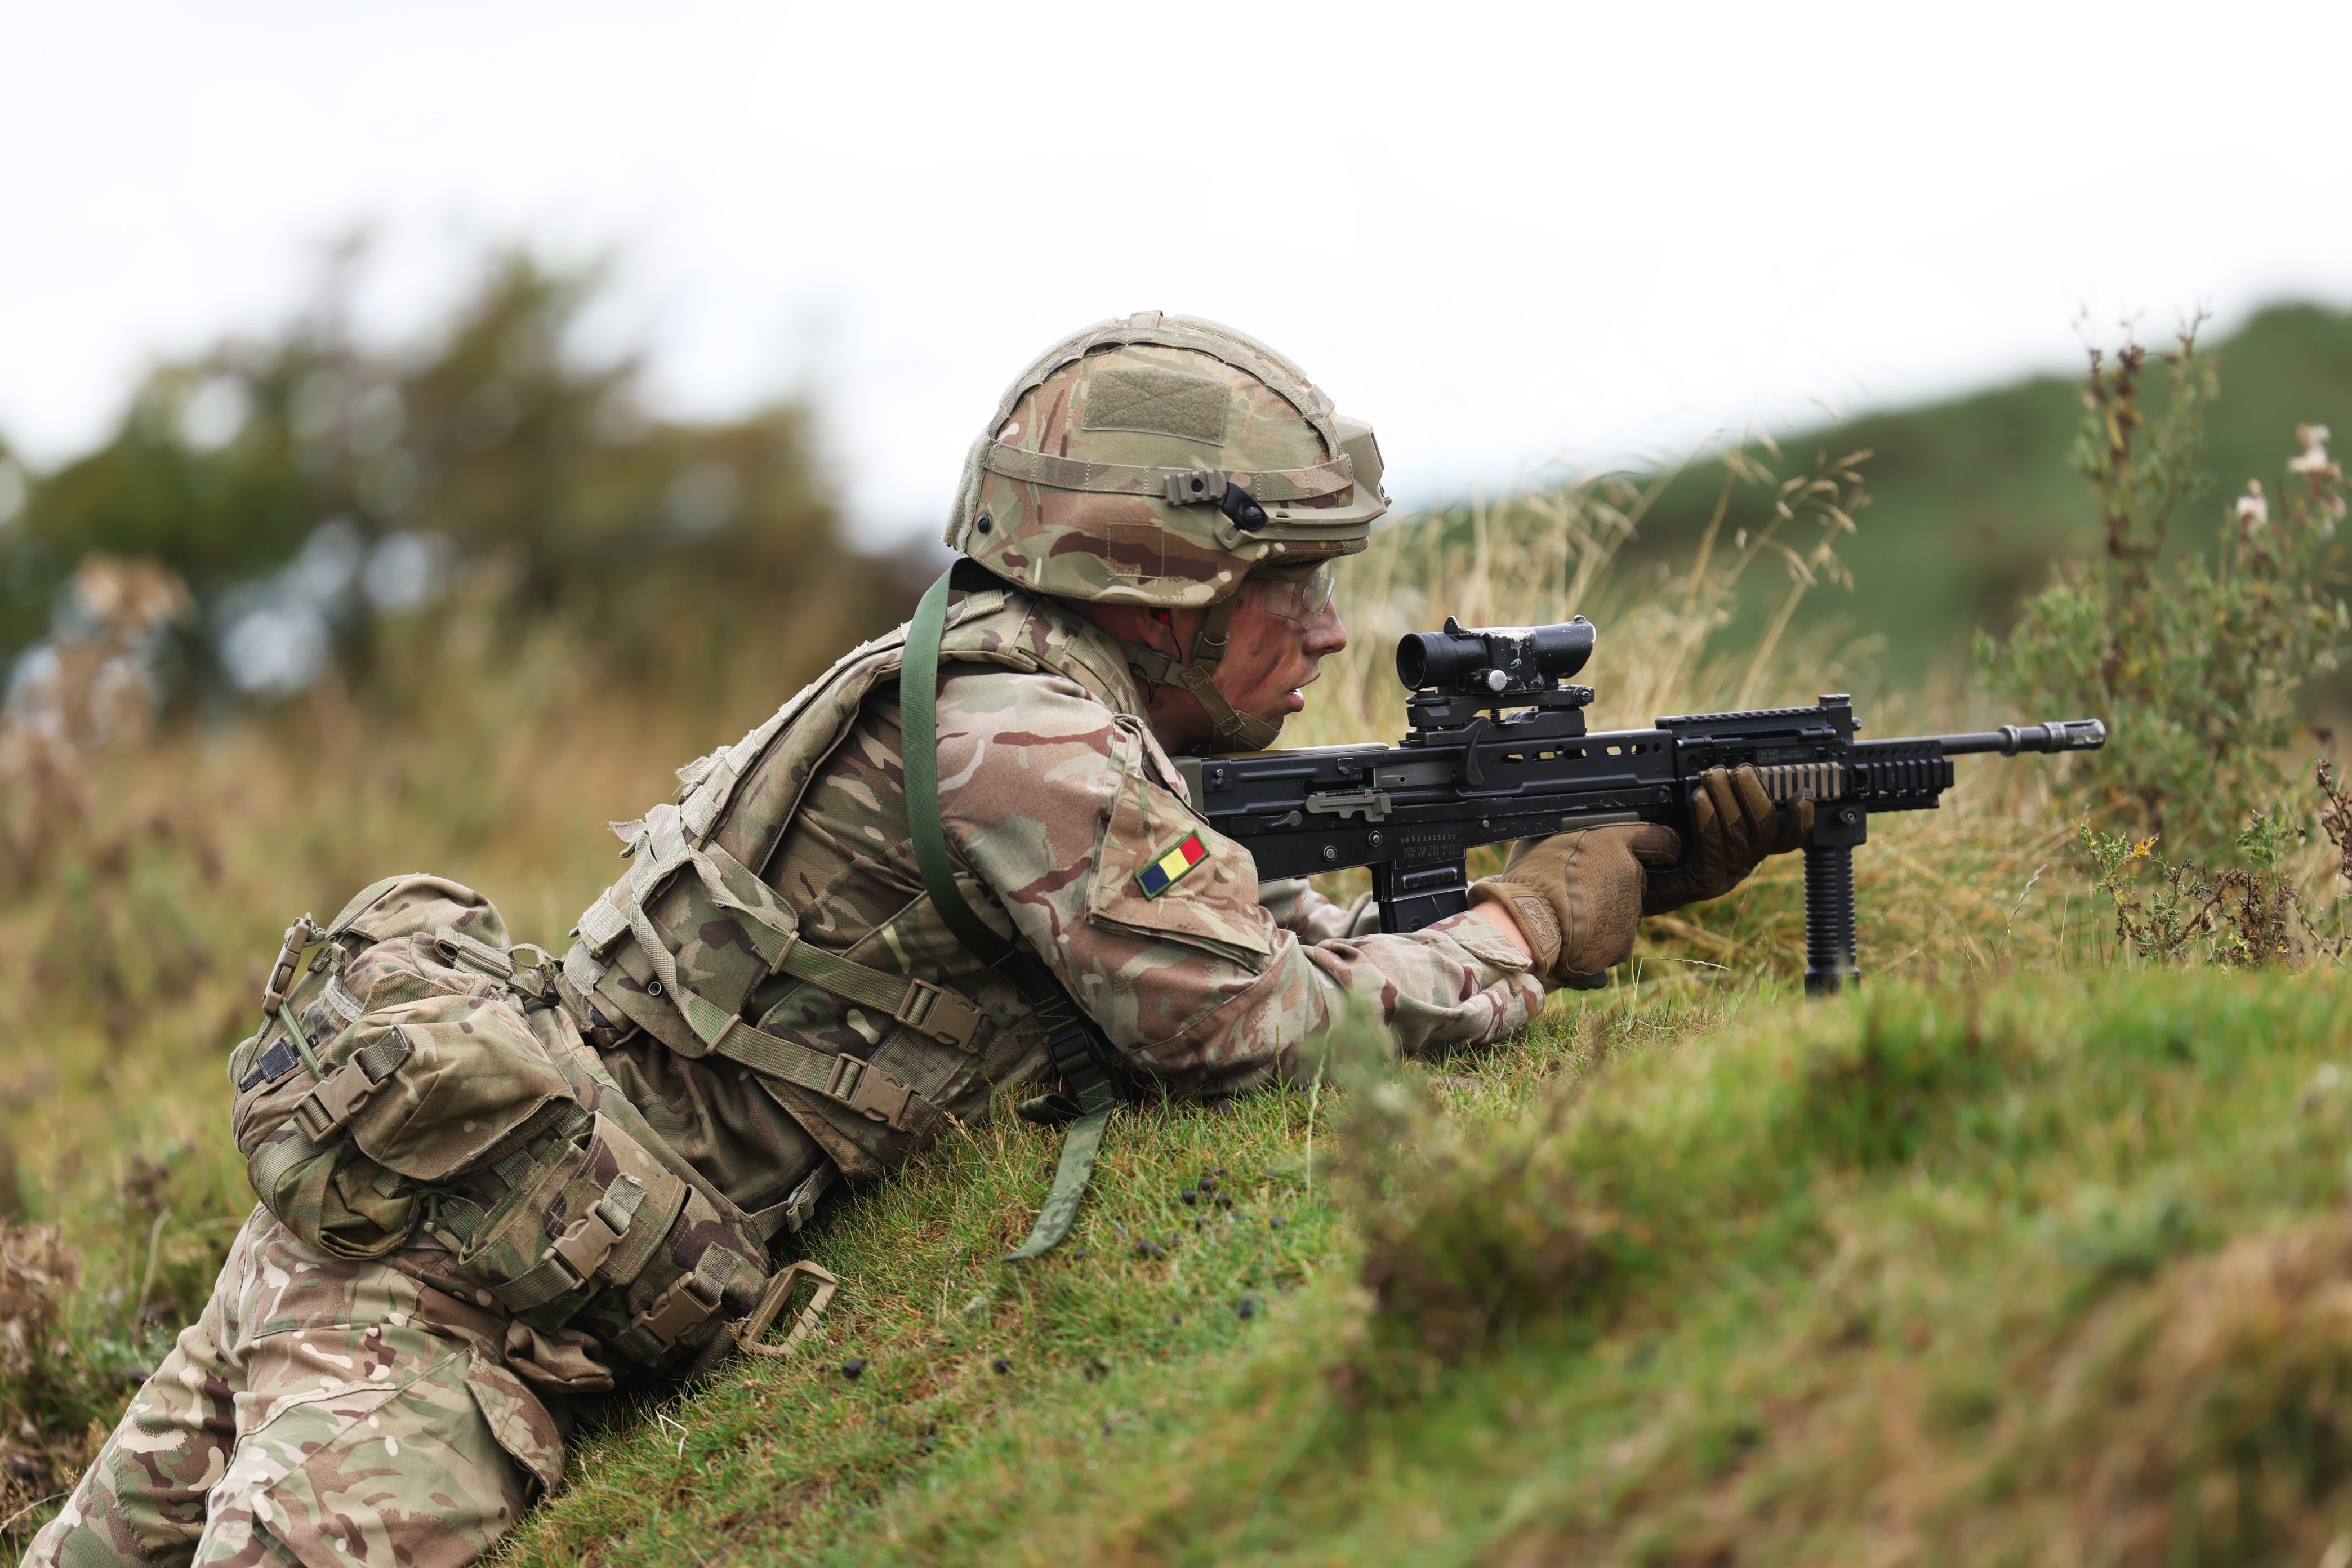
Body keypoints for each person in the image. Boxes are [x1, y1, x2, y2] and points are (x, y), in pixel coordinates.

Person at [26, 313, 1805, 1568]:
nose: (1334, 631)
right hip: (436, 1328)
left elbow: (1196, 920)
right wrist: (1536, 923)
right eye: (1295, 585)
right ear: (1157, 578)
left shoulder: (996, 686)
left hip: (384, 1236)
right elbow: (1249, 1021)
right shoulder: (1025, 741)